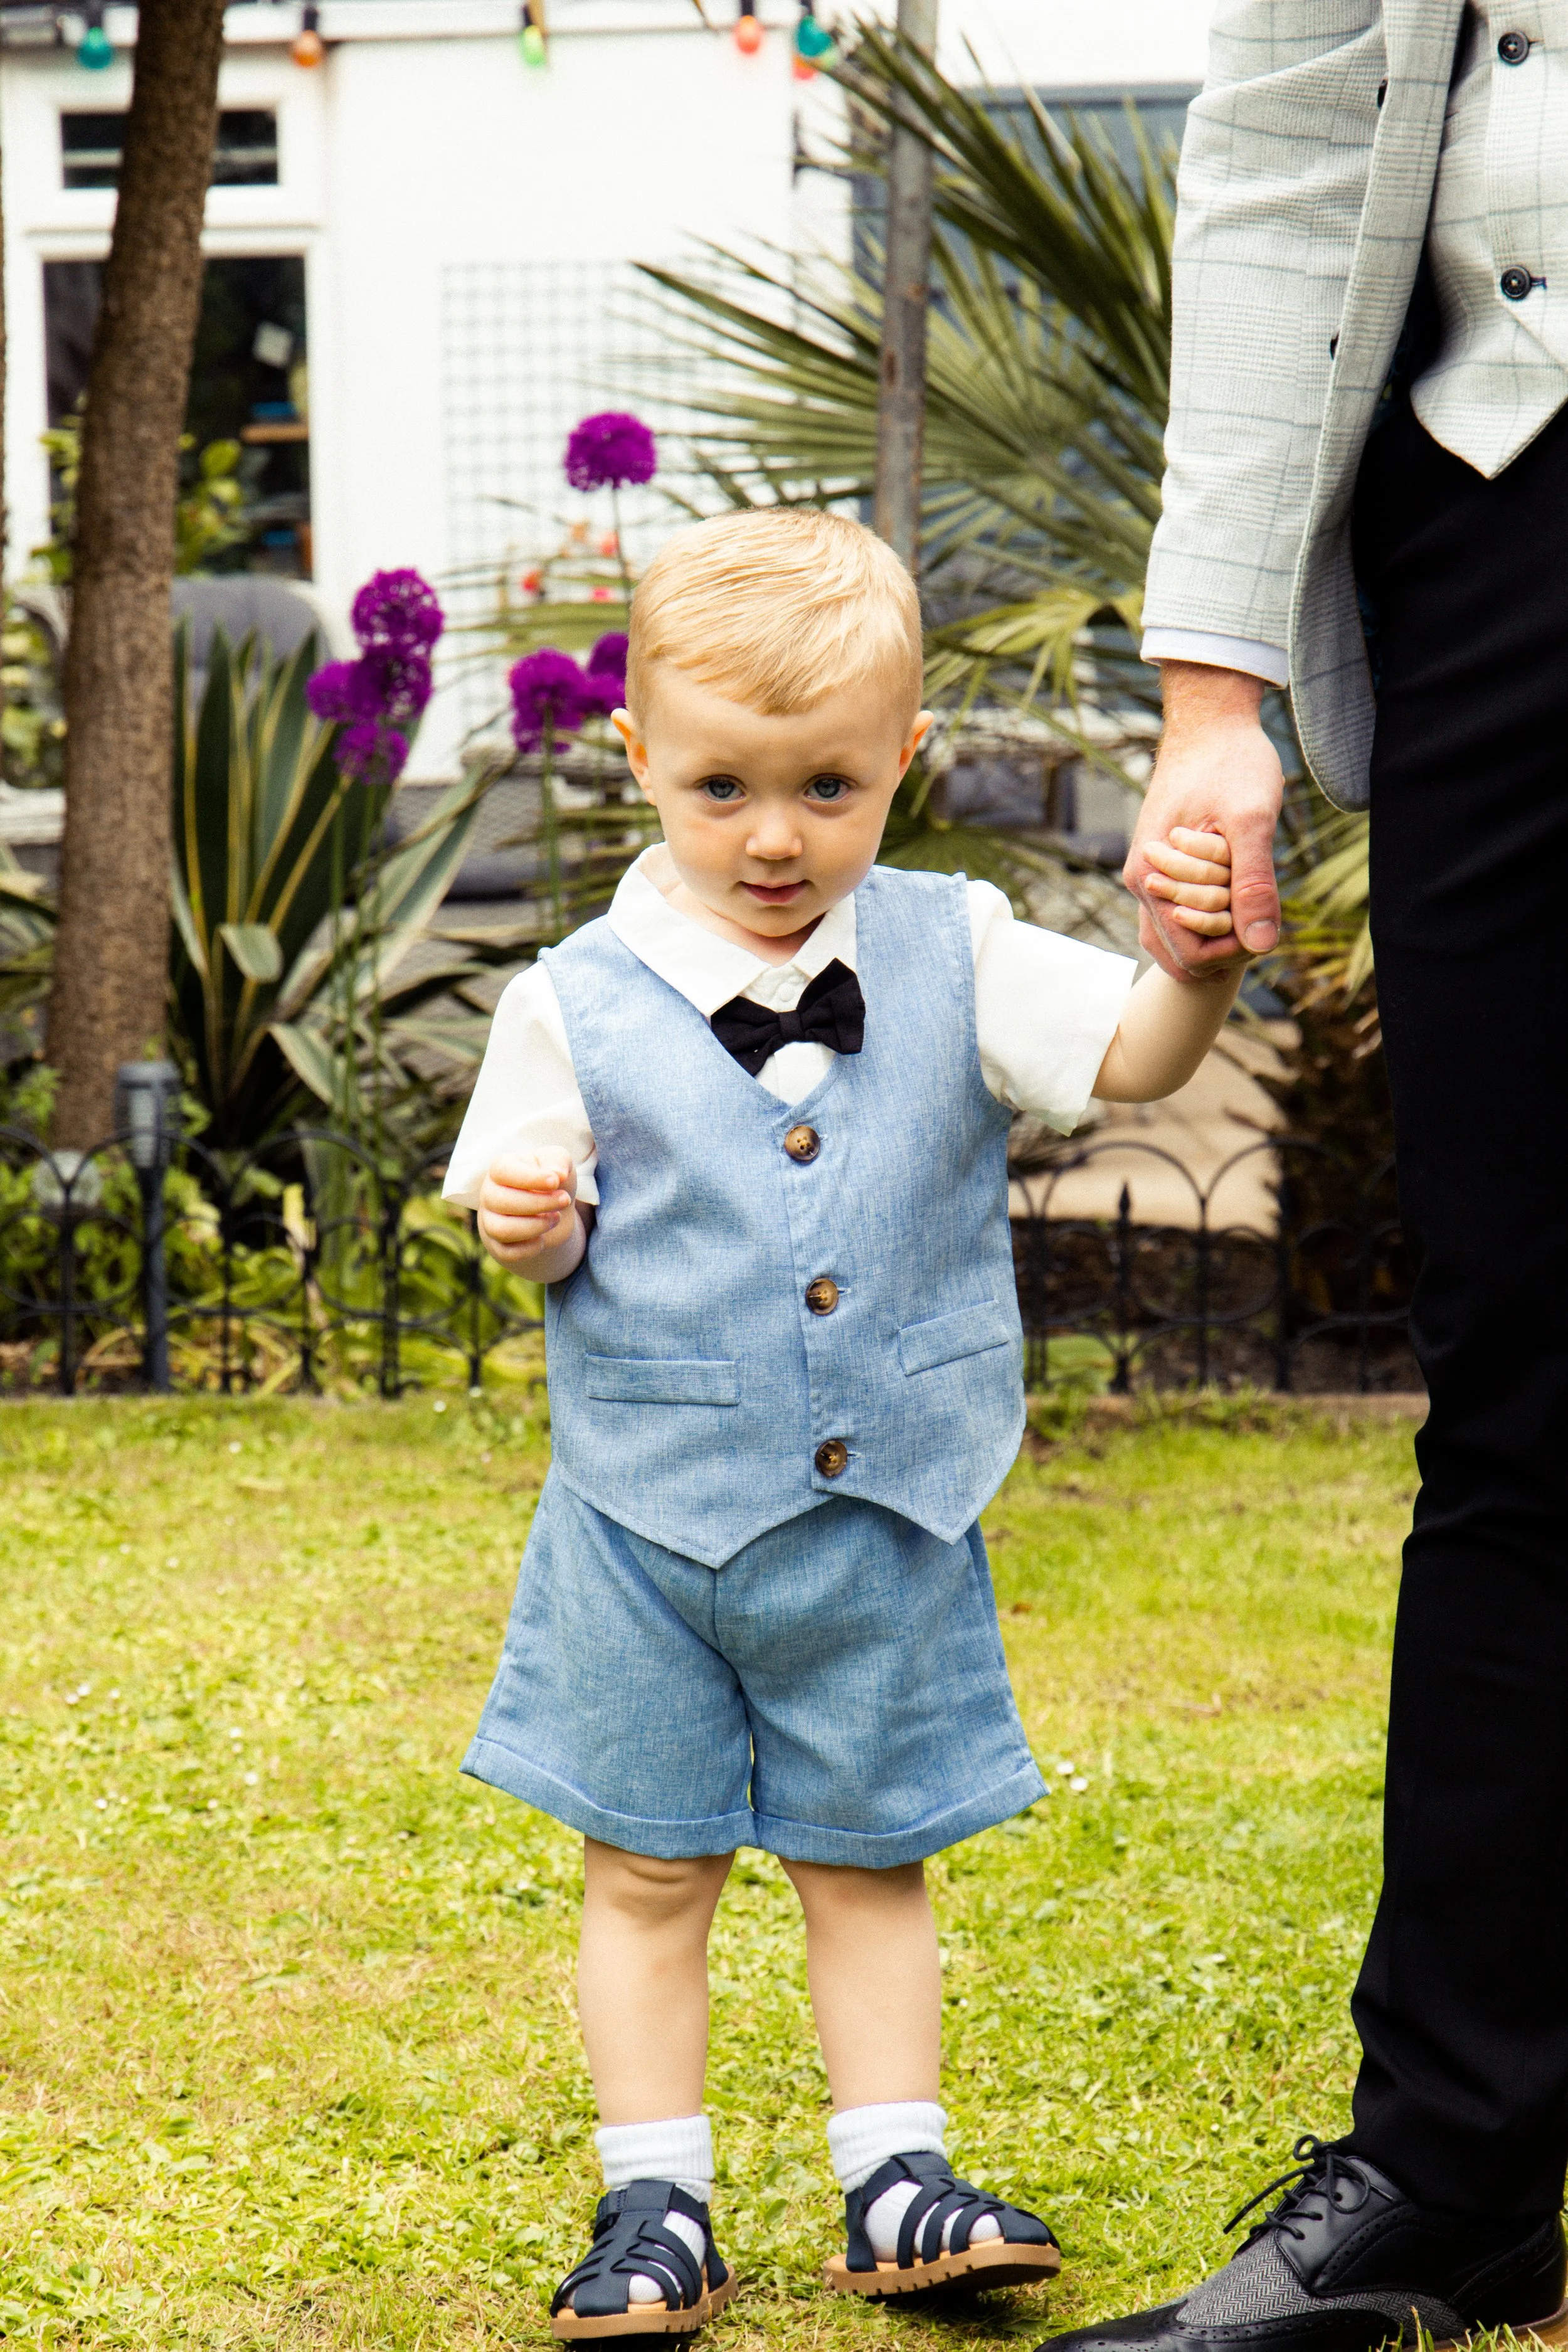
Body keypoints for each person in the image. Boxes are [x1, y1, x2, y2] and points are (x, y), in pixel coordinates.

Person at [443, 506, 1242, 2339]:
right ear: (637, 755)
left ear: (906, 761)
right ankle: (658, 2197)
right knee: (645, 1865)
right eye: (721, 787)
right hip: (648, 1526)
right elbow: (525, 1221)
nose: (776, 835)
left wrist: (1191, 966)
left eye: (827, 785)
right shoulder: (565, 998)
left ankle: (895, 2173)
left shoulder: (959, 945)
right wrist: (531, 1220)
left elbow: (1128, 1053)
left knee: (866, 1851)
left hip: (885, 1510)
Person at [1042, 8, 1568, 2352]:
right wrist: (1208, 697)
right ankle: (1453, 2163)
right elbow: (1278, 139)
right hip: (1506, 511)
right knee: (1530, 1372)